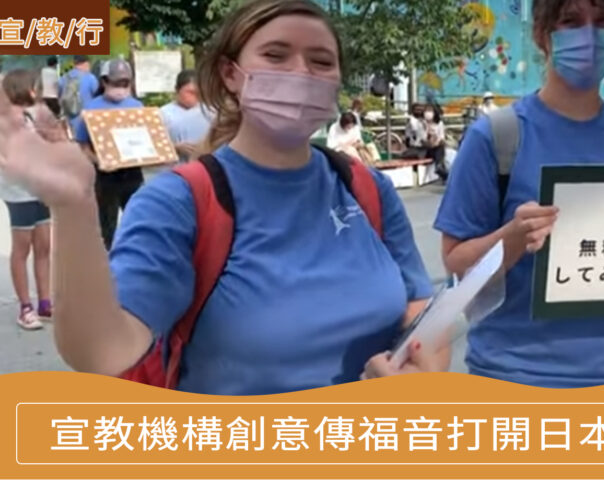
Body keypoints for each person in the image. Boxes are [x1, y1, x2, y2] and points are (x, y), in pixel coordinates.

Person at [0, 0, 440, 395]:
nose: (301, 73)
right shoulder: (179, 202)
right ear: (231, 74)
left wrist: (424, 370)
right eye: (276, 55)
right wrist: (73, 208)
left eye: (321, 61)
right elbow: (102, 352)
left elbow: (420, 312)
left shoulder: (365, 188)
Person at [435, 0, 604, 388]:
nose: (590, 36)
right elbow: (456, 265)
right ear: (542, 35)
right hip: (515, 379)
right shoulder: (496, 138)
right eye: (571, 21)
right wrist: (511, 238)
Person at [72, 59, 145, 251]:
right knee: (107, 225)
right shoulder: (91, 110)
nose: (120, 88)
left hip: (132, 173)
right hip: (105, 176)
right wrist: (98, 161)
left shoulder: (138, 107)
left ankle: (133, 257)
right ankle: (108, 261)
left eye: (125, 83)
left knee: (136, 220)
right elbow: (82, 145)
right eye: (116, 83)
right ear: (104, 81)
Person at [0, 70, 52, 330]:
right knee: (22, 247)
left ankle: (45, 302)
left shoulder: (30, 116)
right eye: (33, 86)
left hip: (39, 188)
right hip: (18, 190)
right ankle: (25, 308)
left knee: (44, 245)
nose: (36, 91)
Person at [144, 70, 214, 182]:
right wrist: (175, 147)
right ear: (177, 90)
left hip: (203, 170)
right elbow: (151, 146)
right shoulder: (161, 114)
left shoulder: (210, 112)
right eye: (190, 92)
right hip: (173, 172)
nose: (195, 96)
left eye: (199, 93)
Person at [58, 55, 98, 120]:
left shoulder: (63, 78)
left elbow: (59, 96)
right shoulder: (91, 78)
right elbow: (97, 96)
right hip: (85, 118)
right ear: (86, 63)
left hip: (68, 119)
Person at [423, 104, 448, 181]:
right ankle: (440, 167)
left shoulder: (439, 123)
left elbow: (441, 137)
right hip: (425, 148)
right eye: (426, 110)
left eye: (430, 110)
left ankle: (439, 167)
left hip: (436, 146)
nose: (428, 113)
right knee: (438, 150)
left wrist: (437, 142)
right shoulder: (422, 123)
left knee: (440, 147)